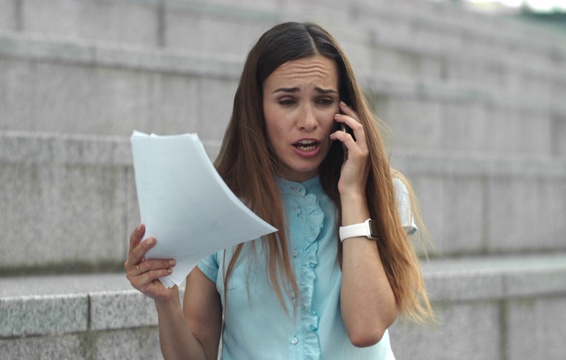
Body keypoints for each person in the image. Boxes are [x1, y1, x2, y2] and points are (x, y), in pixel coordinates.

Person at [125, 21, 433, 359]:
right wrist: (166, 300)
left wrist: (354, 195)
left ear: (344, 110)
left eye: (324, 100)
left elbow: (366, 328)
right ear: (256, 108)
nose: (308, 120)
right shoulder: (216, 202)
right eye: (287, 101)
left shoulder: (383, 192)